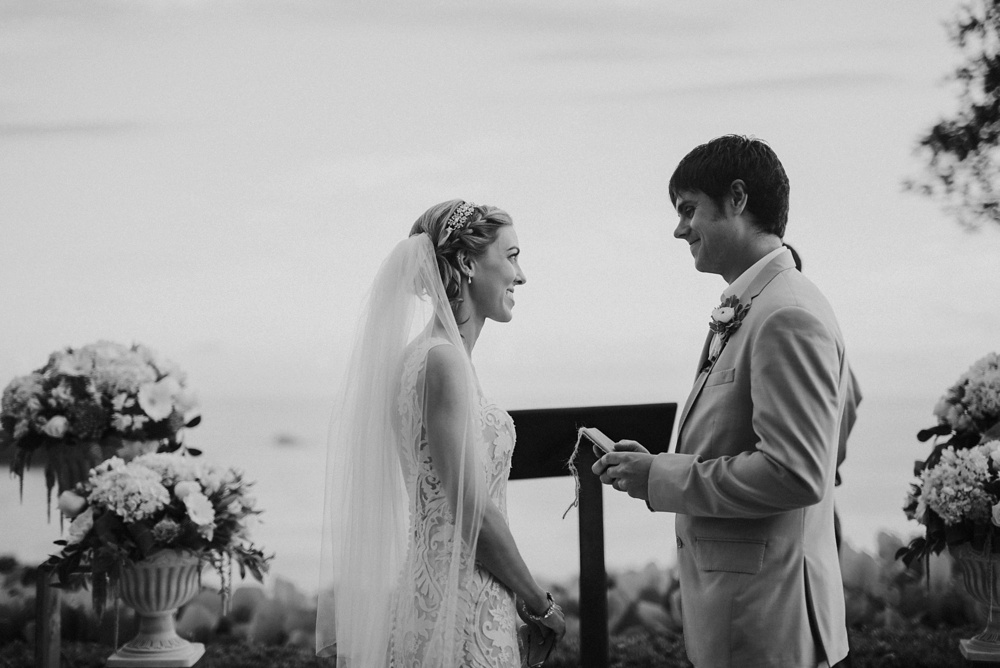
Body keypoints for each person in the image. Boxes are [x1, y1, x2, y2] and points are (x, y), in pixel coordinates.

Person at [593, 136, 861, 667]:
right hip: (747, 613)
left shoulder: (786, 313)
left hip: (768, 623)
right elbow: (845, 411)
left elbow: (796, 473)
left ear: (737, 198)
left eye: (688, 209)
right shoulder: (768, 301)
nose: (678, 229)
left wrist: (662, 477)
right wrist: (653, 463)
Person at [316, 200, 565, 668]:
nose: (521, 275)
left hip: (427, 590)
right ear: (469, 263)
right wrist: (539, 602)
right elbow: (470, 508)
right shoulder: (444, 361)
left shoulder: (418, 358)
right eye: (511, 256)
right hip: (463, 606)